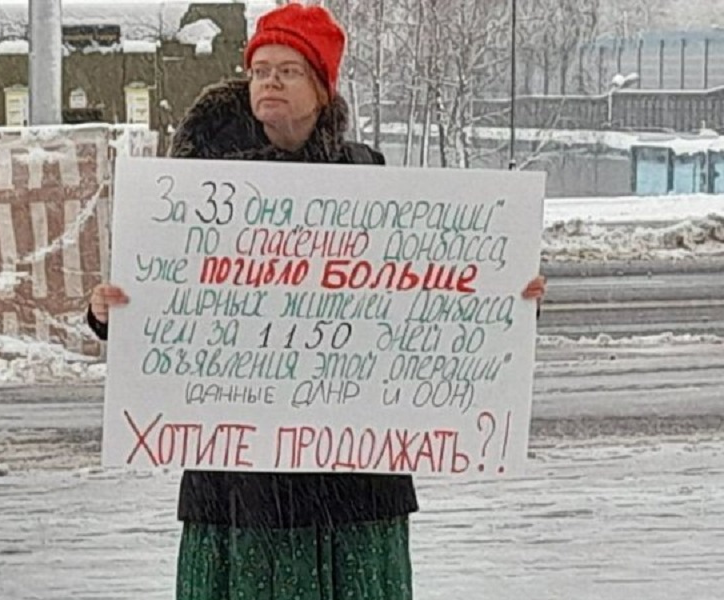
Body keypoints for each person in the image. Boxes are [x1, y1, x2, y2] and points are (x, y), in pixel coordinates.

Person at [86, 3, 548, 599]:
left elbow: (425, 300)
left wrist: (508, 297)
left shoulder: (368, 176)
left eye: (289, 70)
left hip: (353, 482)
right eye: (260, 70)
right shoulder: (195, 188)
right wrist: (107, 311)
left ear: (323, 88)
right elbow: (161, 309)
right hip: (240, 485)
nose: (270, 81)